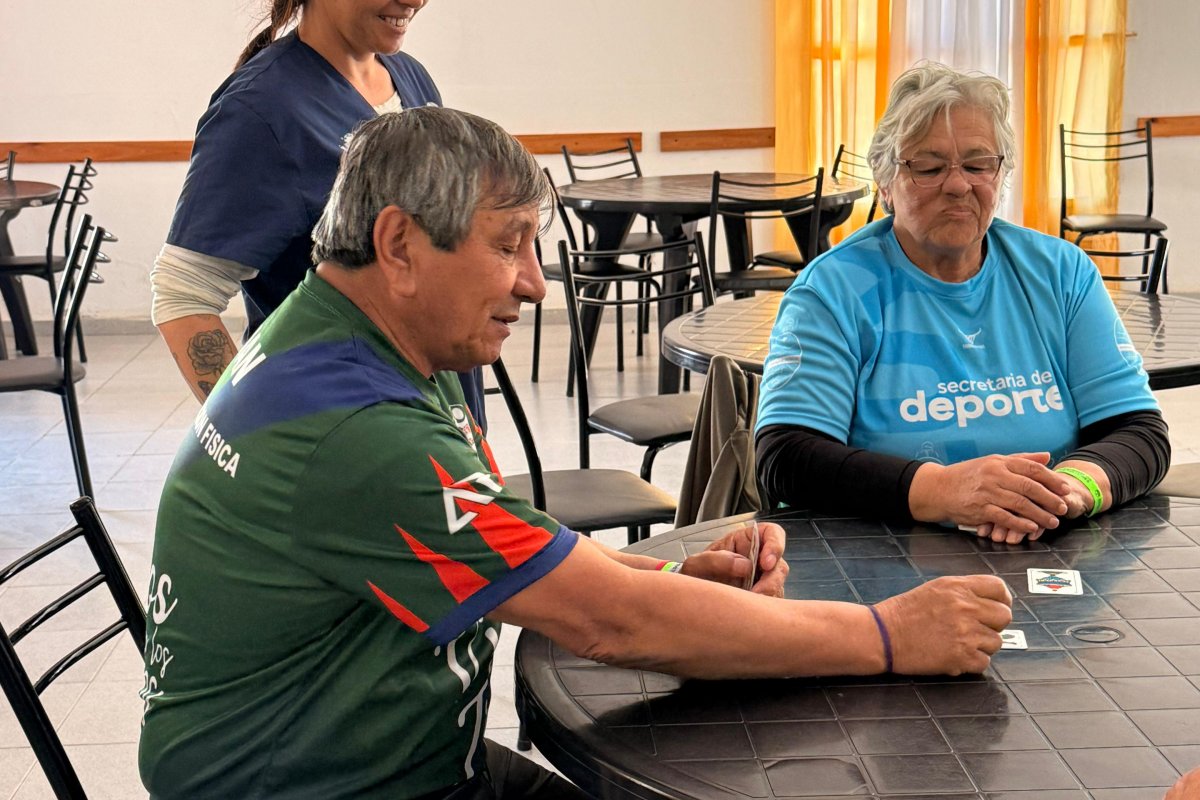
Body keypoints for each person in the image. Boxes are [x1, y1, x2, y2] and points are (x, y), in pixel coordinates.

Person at [139, 108, 1014, 800]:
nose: (533, 282)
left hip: (362, 757)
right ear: (399, 245)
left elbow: (529, 560)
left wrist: (676, 582)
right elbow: (609, 622)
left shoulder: (339, 340)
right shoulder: (358, 430)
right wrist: (887, 634)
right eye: (507, 244)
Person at [756, 62, 1171, 545]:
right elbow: (785, 457)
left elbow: (1140, 432)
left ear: (1000, 175)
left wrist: (1067, 491)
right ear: (886, 184)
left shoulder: (1061, 273)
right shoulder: (833, 290)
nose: (958, 185)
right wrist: (944, 490)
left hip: (1049, 545)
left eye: (977, 165)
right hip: (886, 558)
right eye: (929, 167)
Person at [150, 0, 487, 426]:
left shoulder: (409, 77)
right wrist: (258, 436)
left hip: (439, 415)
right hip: (345, 425)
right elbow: (183, 294)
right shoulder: (261, 109)